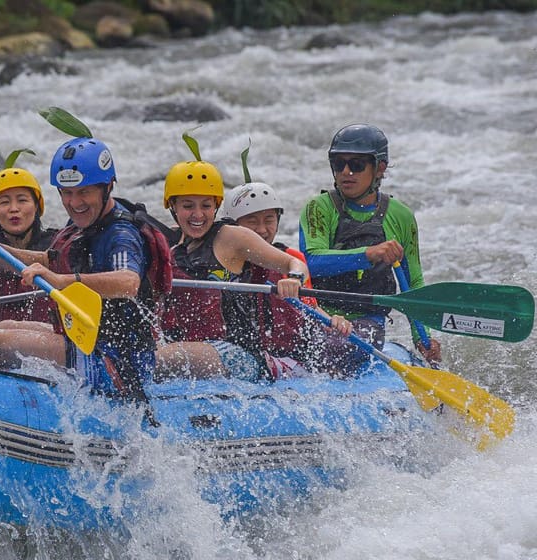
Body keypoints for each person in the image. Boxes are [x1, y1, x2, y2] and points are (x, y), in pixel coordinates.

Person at [0, 135, 173, 400]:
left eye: (84, 192)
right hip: (88, 342)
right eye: (67, 193)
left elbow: (128, 282)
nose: (75, 203)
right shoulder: (85, 224)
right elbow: (48, 260)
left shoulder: (121, 234)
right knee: (4, 325)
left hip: (116, 363)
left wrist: (61, 281)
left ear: (107, 187)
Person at [155, 159, 332, 382]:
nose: (198, 215)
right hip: (190, 349)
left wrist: (294, 279)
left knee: (156, 360)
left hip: (240, 355)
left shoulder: (233, 237)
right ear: (172, 207)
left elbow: (294, 264)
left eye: (206, 206)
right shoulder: (169, 244)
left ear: (216, 206)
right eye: (188, 206)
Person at [298, 123, 442, 367]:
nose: (346, 172)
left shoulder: (401, 216)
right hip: (319, 312)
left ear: (379, 168)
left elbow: (413, 283)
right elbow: (310, 262)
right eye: (339, 164)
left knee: (343, 347)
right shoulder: (318, 208)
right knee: (323, 346)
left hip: (368, 320)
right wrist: (368, 254)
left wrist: (422, 337)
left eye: (356, 164)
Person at [225, 181, 353, 378]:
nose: (262, 230)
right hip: (242, 352)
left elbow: (310, 308)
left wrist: (332, 321)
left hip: (288, 356)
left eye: (269, 220)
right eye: (252, 221)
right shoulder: (223, 260)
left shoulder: (290, 260)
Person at [0, 165, 59, 329]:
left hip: (45, 337)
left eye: (22, 200)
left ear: (36, 206)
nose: (14, 209)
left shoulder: (57, 244)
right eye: (4, 202)